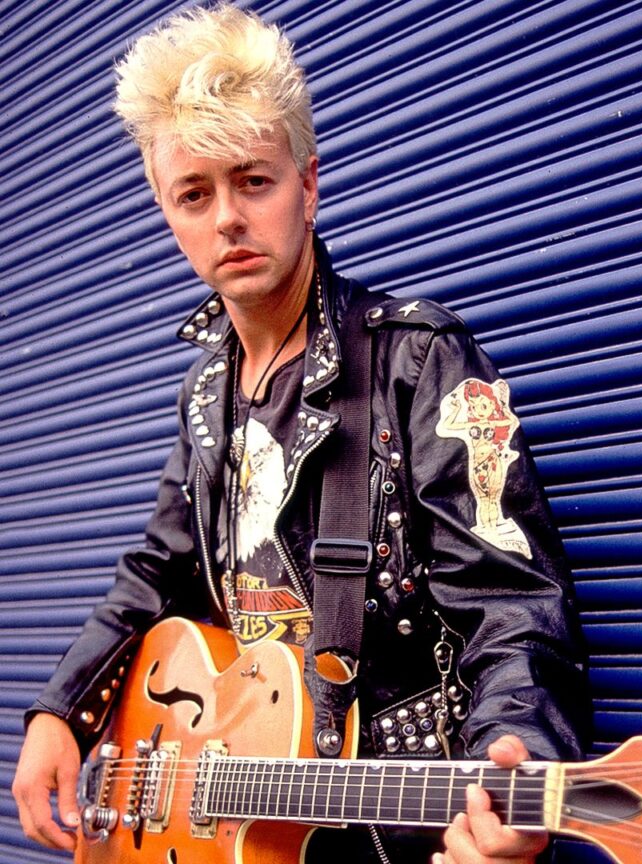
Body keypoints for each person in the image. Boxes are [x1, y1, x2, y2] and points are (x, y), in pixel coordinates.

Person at [8, 5, 588, 863]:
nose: (228, 220)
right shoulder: (207, 393)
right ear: (166, 211)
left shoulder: (416, 359)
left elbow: (513, 608)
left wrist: (519, 769)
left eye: (254, 181)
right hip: (251, 822)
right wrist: (63, 707)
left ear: (307, 185)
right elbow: (158, 571)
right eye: (194, 194)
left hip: (395, 825)